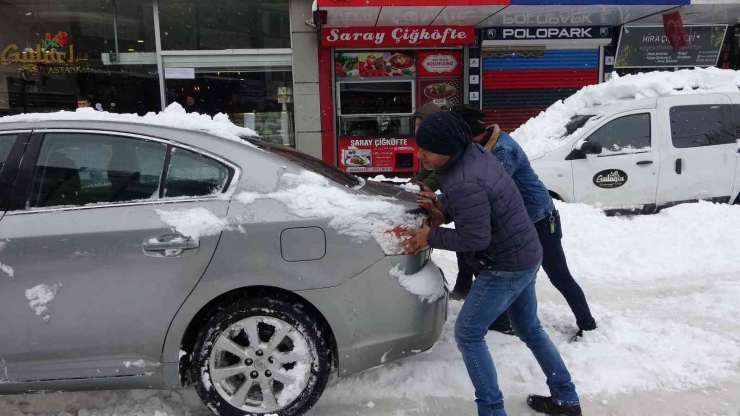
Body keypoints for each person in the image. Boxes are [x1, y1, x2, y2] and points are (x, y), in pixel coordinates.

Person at [400, 111, 582, 416]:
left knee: (468, 334)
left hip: (506, 265)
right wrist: (442, 209)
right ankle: (566, 397)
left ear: (446, 147)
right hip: (525, 252)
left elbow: (474, 239)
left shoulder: (464, 178)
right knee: (531, 329)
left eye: (427, 149)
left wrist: (430, 236)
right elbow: (478, 205)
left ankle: (492, 411)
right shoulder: (472, 155)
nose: (421, 155)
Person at [447, 105, 597, 337]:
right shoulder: (481, 146)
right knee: (520, 276)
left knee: (557, 274)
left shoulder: (502, 151)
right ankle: (517, 323)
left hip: (539, 219)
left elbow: (485, 190)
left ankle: (587, 325)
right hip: (519, 221)